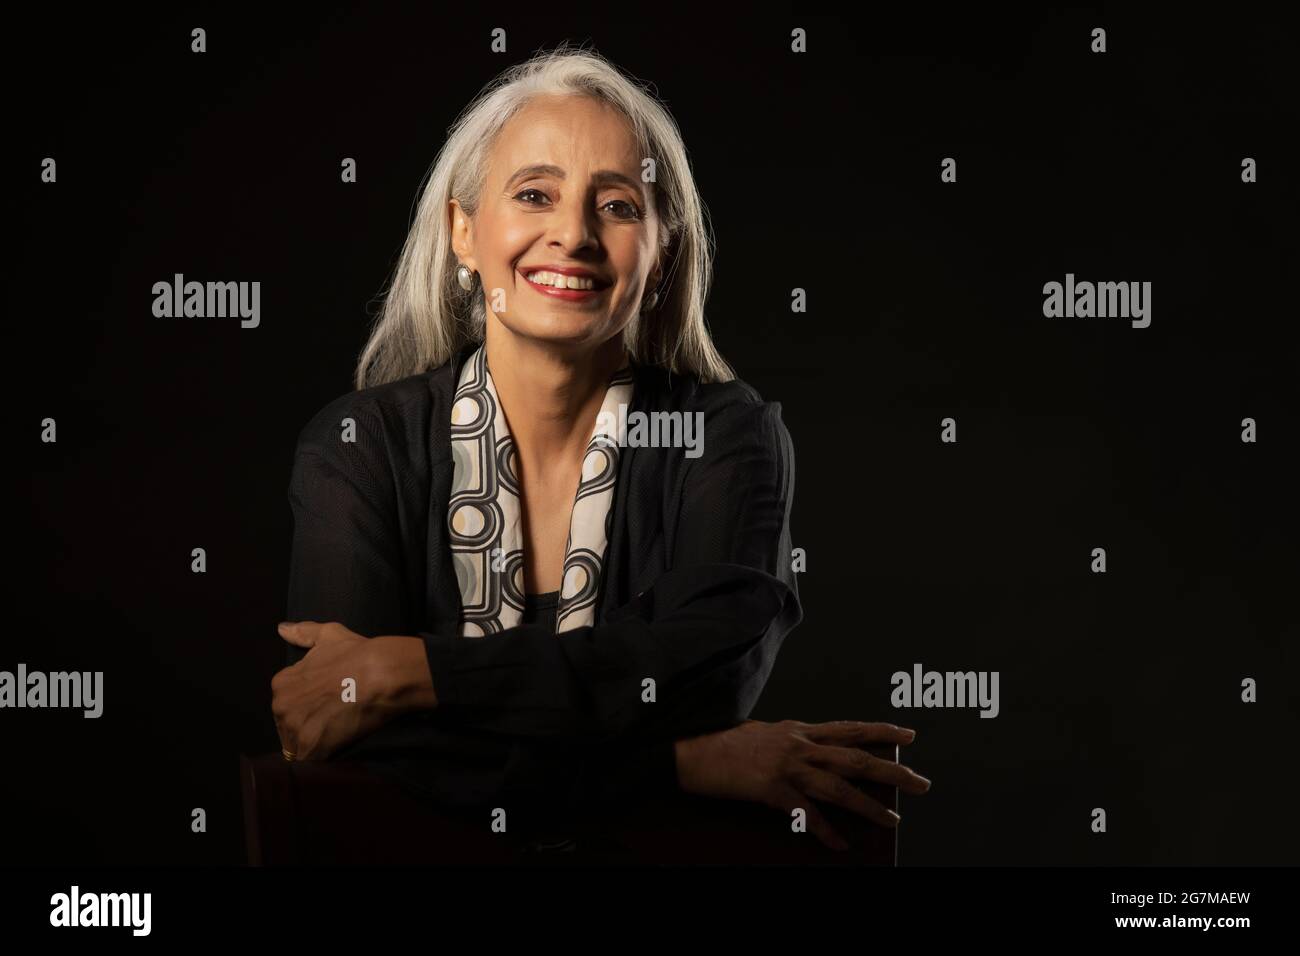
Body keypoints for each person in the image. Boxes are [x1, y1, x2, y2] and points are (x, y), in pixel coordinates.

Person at [270, 44, 930, 853]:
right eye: (535, 194)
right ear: (464, 233)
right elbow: (344, 740)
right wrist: (682, 765)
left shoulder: (726, 436)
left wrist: (414, 675)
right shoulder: (361, 444)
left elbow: (709, 678)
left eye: (618, 206)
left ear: (659, 256)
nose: (574, 234)